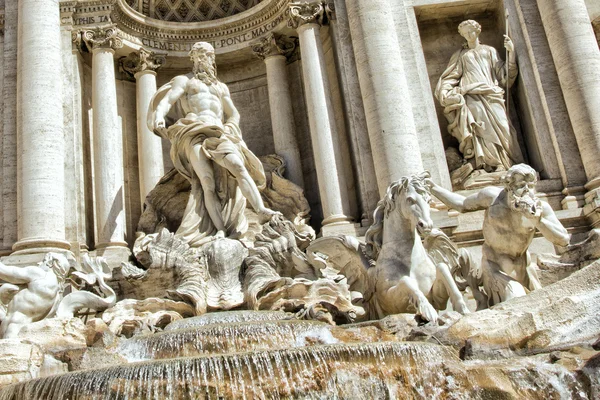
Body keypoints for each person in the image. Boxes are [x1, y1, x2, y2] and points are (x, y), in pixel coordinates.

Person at [148, 42, 278, 246]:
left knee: (238, 166)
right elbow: (168, 100)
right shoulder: (185, 81)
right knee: (206, 181)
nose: (204, 59)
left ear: (213, 58)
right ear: (193, 58)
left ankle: (260, 210)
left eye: (208, 55)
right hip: (193, 132)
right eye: (200, 55)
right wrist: (159, 116)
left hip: (219, 132)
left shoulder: (220, 87)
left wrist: (231, 127)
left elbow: (233, 112)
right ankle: (219, 230)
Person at [426, 164, 570, 306]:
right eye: (521, 186)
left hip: (522, 268)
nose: (527, 191)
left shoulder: (540, 209)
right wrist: (433, 187)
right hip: (494, 267)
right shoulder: (491, 197)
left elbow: (563, 240)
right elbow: (461, 203)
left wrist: (538, 221)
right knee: (516, 300)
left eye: (530, 186)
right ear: (509, 186)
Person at [435, 20, 523, 172]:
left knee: (503, 127)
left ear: (478, 31)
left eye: (471, 31)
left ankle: (507, 161)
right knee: (480, 130)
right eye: (465, 33)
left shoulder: (489, 51)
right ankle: (491, 164)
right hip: (471, 95)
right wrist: (445, 91)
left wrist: (511, 53)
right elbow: (451, 76)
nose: (469, 35)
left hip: (491, 93)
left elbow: (503, 75)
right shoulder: (461, 55)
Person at [0, 253, 73, 338]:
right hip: (23, 330)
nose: (39, 263)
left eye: (43, 261)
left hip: (13, 329)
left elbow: (5, 272)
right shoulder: (57, 296)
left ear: (50, 263)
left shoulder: (39, 274)